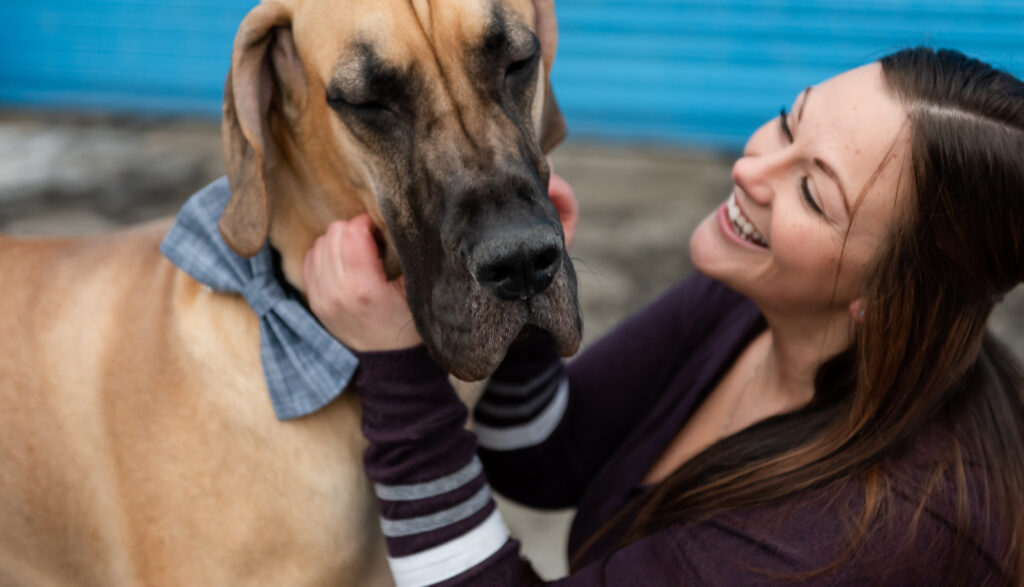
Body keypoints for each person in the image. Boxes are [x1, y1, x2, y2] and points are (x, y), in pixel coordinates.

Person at [302, 47, 1024, 586]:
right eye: (786, 122)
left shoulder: (851, 536)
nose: (750, 169)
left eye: (812, 192)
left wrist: (398, 368)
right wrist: (529, 284)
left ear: (887, 294)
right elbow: (547, 458)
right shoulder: (757, 300)